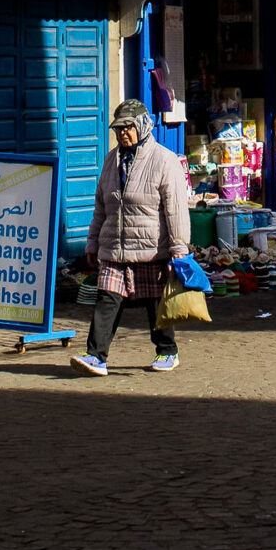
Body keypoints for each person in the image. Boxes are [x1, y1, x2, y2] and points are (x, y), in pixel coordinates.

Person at [73, 100, 190, 378]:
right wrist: (93, 243)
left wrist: (178, 247)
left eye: (128, 128)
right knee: (107, 300)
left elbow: (175, 208)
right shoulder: (111, 160)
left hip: (151, 247)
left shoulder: (164, 160)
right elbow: (101, 205)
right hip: (114, 246)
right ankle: (96, 356)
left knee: (156, 303)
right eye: (118, 129)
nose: (123, 134)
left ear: (142, 126)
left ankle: (167, 351)